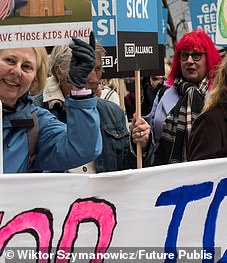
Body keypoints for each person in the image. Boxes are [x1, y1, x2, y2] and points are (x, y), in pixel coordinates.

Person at [33, 43, 150, 172]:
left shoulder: (112, 112)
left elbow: (126, 169)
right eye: (85, 70)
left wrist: (140, 144)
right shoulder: (34, 113)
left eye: (98, 69)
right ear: (59, 71)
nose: (94, 79)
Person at [1, 40, 102, 173]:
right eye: (10, 60)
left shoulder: (36, 123)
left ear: (34, 79)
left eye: (27, 67)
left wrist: (79, 89)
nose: (17, 71)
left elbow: (83, 149)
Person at [140, 29, 222, 165]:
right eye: (185, 55)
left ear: (208, 59)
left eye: (196, 55)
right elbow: (153, 138)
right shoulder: (163, 93)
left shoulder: (220, 95)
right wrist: (144, 139)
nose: (189, 61)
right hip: (168, 175)